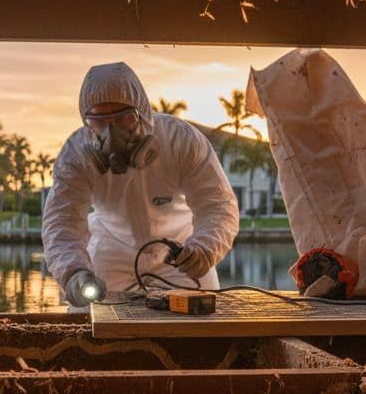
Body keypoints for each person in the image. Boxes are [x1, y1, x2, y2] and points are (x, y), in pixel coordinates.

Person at [43, 61, 240, 307]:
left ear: (143, 114)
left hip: (182, 254)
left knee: (202, 326)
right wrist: (72, 271)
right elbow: (62, 223)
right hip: (109, 255)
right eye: (99, 121)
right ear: (86, 122)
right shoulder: (75, 155)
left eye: (123, 119)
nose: (111, 132)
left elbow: (218, 205)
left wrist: (205, 247)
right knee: (87, 323)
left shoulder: (181, 140)